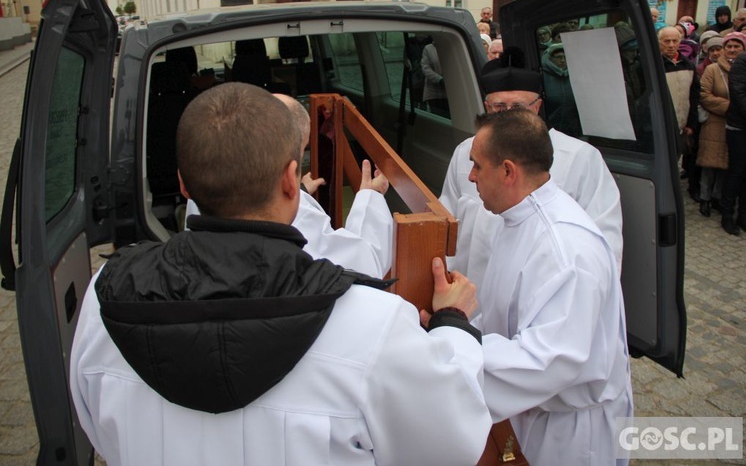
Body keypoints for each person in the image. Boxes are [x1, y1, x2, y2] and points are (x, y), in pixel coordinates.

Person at [70, 82, 493, 465]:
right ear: (293, 181)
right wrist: (454, 325)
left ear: (183, 184)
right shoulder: (372, 324)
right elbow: (452, 445)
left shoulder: (104, 297)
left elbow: (99, 430)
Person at [468, 109, 632, 466]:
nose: (470, 176)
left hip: (569, 433)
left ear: (508, 171)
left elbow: (550, 359)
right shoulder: (519, 218)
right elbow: (508, 313)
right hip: (531, 409)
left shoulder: (565, 249)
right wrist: (459, 329)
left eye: (477, 166)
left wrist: (455, 353)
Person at [440, 50, 623, 292]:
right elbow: (446, 220)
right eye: (499, 107)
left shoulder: (581, 158)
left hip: (542, 292)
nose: (508, 115)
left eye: (518, 107)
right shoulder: (466, 152)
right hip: (470, 290)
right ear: (487, 107)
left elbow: (603, 239)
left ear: (537, 107)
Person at [185, 94, 393, 278]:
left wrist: (300, 191)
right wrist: (370, 196)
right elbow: (364, 266)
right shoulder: (293, 212)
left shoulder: (204, 181)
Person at [696, 34, 744, 217]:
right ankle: (705, 198)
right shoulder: (713, 70)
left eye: (736, 46)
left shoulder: (742, 69)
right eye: (729, 46)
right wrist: (733, 107)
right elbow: (705, 95)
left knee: (726, 163)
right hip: (715, 122)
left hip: (736, 124)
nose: (732, 50)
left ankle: (718, 197)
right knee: (709, 163)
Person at [659, 26, 701, 202]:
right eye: (666, 41)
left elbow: (694, 97)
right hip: (661, 125)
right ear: (659, 43)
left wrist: (691, 124)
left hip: (682, 125)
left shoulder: (689, 66)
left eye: (674, 41)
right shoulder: (654, 67)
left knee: (677, 160)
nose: (670, 45)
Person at [721, 33, 746, 235]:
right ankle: (727, 216)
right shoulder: (743, 60)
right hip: (739, 127)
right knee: (736, 173)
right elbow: (739, 94)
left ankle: (744, 216)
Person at [541, 43, 582, 136]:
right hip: (550, 131)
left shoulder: (576, 74)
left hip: (574, 131)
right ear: (550, 58)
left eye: (565, 57)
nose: (563, 60)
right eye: (559, 57)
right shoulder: (542, 75)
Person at [421, 42, 450, 117]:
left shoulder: (450, 47)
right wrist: (439, 79)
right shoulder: (428, 48)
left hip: (449, 93)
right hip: (433, 92)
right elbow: (426, 68)